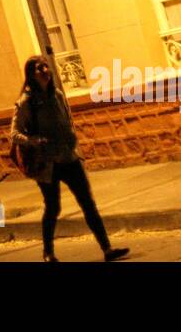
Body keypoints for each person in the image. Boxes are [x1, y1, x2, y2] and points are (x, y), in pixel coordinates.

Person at [11, 56, 129, 263]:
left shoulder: (57, 95)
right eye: (40, 68)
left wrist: (74, 144)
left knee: (88, 203)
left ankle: (107, 249)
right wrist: (35, 140)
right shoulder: (26, 102)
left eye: (47, 66)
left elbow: (68, 122)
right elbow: (14, 134)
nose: (46, 70)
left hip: (68, 157)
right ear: (31, 74)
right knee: (53, 207)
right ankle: (48, 253)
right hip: (48, 164)